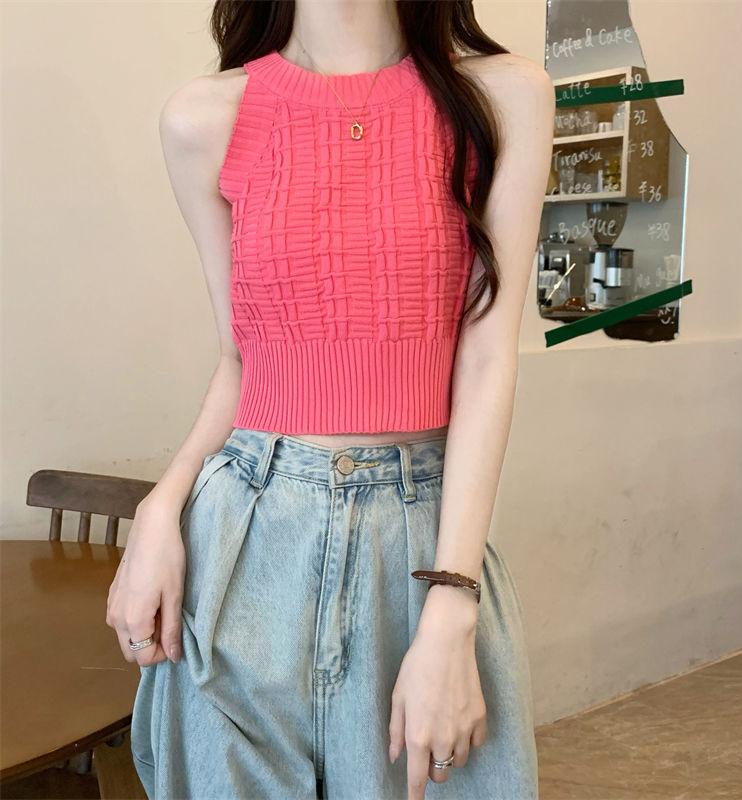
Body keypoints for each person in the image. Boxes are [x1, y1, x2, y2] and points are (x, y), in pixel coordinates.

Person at [106, 1, 554, 798]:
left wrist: (452, 604)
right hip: (244, 540)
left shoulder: (503, 97)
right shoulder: (202, 120)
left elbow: (487, 359)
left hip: (417, 548)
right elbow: (242, 359)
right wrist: (160, 507)